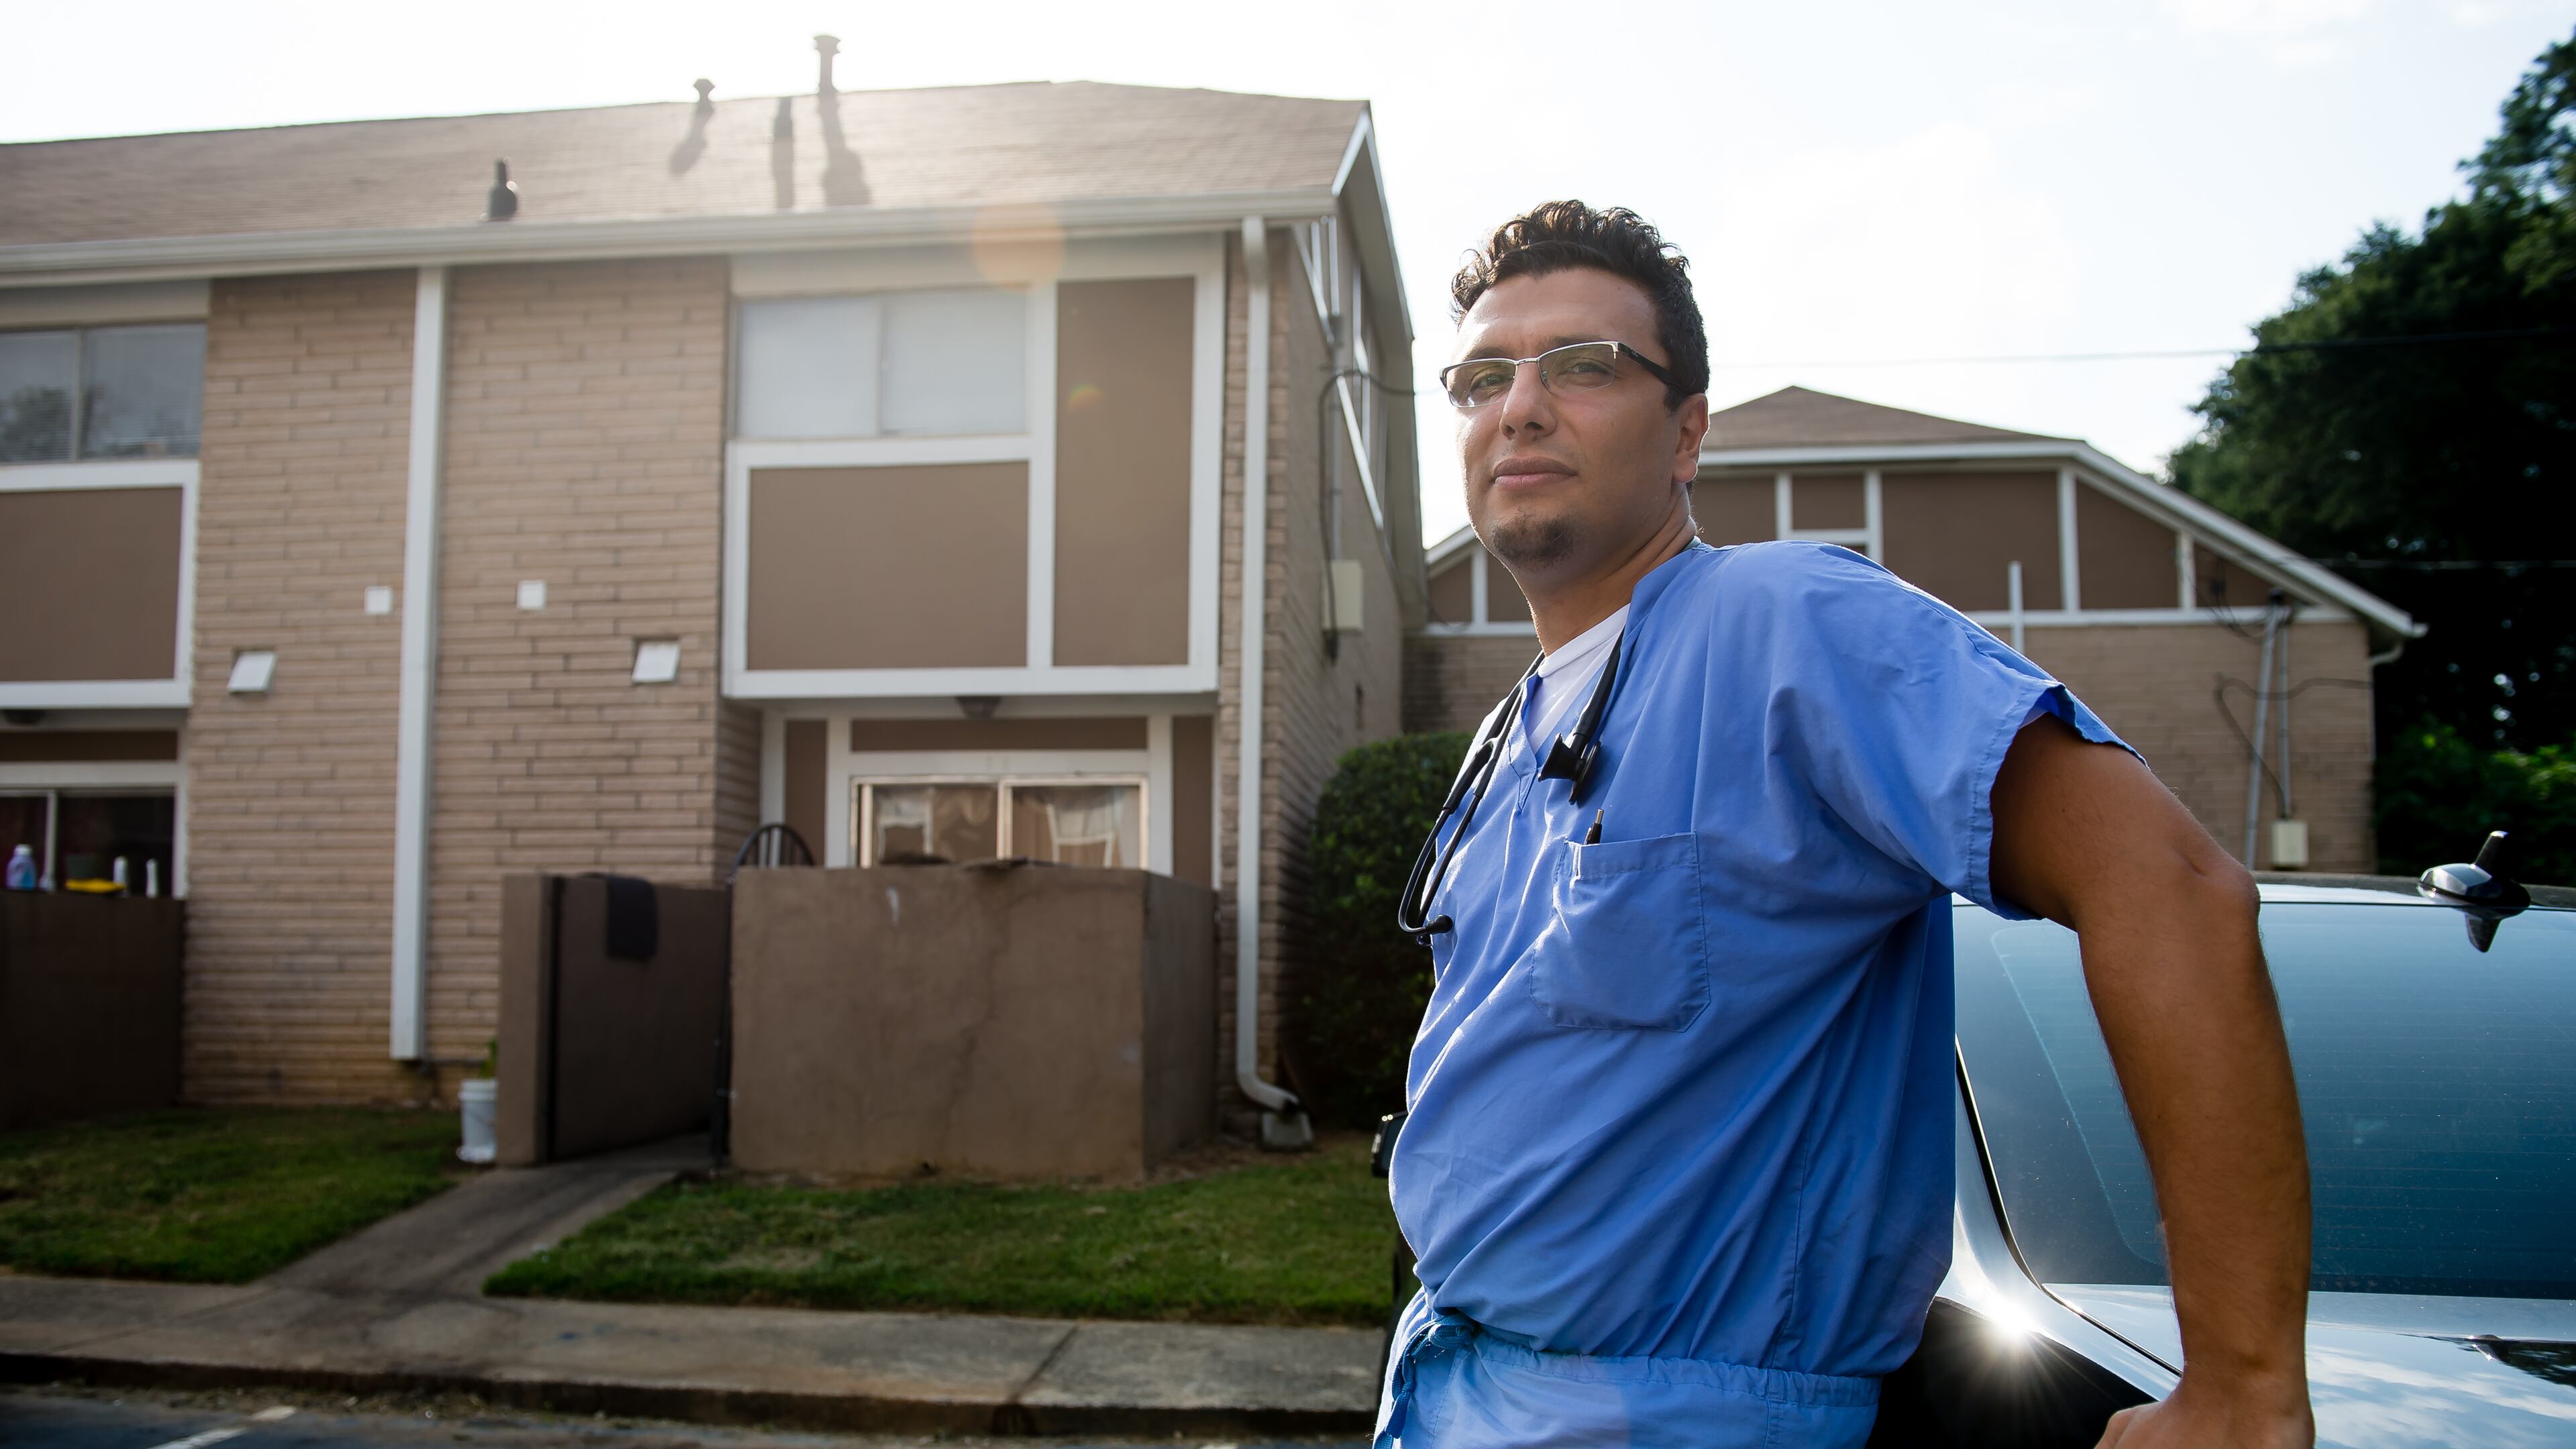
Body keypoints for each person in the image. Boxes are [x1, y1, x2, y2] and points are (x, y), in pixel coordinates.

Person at [1379, 202, 2313, 1449]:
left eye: (1585, 366)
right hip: (1452, 1394)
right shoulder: (1511, 735)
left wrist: (2245, 1391)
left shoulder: (1785, 625)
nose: (1523, 405)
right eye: (1484, 377)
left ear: (1689, 431)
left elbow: (2175, 887)